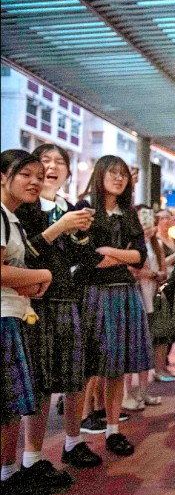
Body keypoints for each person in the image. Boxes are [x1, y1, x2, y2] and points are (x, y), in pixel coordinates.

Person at [15, 144, 104, 477]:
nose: (52, 167)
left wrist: (80, 234)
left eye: (59, 162)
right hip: (35, 303)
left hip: (68, 299)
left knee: (73, 377)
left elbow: (84, 258)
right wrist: (61, 226)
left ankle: (73, 441)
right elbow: (25, 254)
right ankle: (31, 458)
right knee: (38, 383)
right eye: (44, 162)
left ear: (68, 170)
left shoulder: (68, 207)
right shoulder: (25, 207)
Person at [73, 156, 153, 457]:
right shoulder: (84, 210)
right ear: (100, 175)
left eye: (123, 175)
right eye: (113, 173)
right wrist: (121, 254)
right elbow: (88, 256)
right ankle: (78, 431)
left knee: (117, 366)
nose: (119, 179)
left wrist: (109, 251)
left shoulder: (128, 213)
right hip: (93, 292)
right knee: (90, 363)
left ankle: (113, 430)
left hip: (122, 291)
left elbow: (140, 257)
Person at [0, 150, 59, 495]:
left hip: (14, 313)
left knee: (9, 406)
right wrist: (42, 275)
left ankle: (9, 473)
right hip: (4, 316)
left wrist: (31, 282)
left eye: (40, 175)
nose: (36, 181)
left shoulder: (12, 217)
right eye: (26, 174)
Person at [121, 205, 165, 411]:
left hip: (150, 298)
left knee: (146, 347)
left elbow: (160, 270)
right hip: (136, 297)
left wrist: (155, 274)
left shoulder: (154, 245)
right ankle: (127, 394)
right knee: (132, 348)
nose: (147, 228)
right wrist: (152, 274)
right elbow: (134, 270)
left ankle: (144, 392)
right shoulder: (133, 246)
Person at [152, 209, 175, 382]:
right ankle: (158, 368)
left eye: (168, 218)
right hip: (159, 288)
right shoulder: (156, 242)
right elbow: (161, 263)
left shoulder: (173, 241)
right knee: (160, 331)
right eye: (161, 218)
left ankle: (163, 366)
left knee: (168, 330)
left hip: (172, 287)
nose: (165, 221)